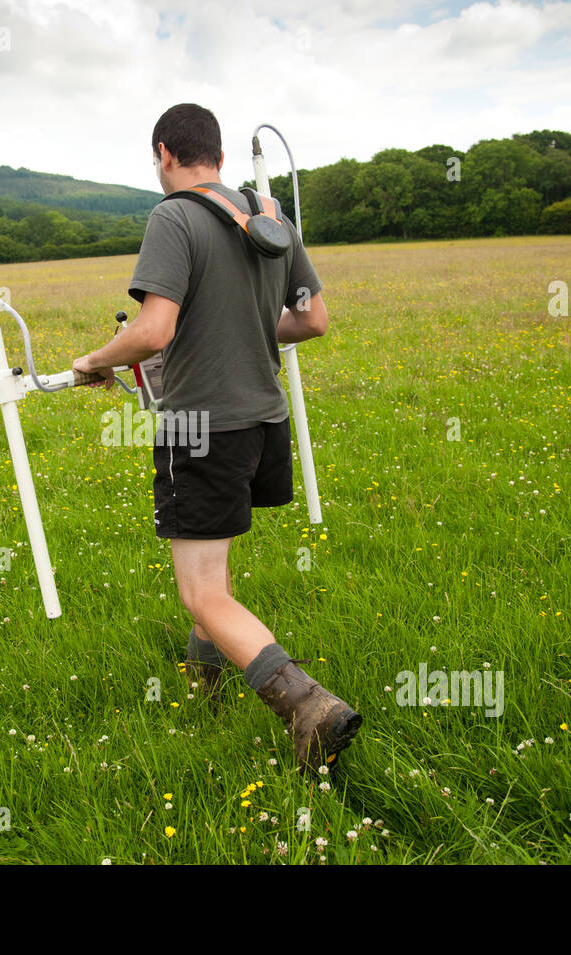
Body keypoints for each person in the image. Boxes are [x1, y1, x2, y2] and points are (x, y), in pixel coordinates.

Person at [71, 103, 361, 774]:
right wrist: (251, 331)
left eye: (156, 159)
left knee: (202, 589)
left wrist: (93, 361)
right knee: (216, 568)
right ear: (221, 157)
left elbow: (152, 330)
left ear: (166, 153)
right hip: (264, 422)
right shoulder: (269, 213)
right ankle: (204, 693)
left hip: (201, 427)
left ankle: (308, 706)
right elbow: (312, 319)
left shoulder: (172, 217)